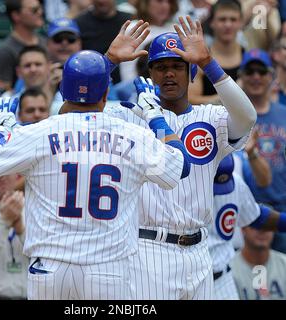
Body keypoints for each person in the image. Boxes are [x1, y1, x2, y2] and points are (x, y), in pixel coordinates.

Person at [0, 20, 191, 300]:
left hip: (50, 270)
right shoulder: (134, 135)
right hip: (107, 270)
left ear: (63, 92)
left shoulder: (38, 132)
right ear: (107, 95)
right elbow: (181, 166)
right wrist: (155, 116)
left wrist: (0, 129)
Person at [105, 16, 256, 299]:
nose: (169, 74)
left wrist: (209, 63)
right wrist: (109, 61)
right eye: (161, 67)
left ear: (191, 73)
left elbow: (247, 117)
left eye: (177, 66)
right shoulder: (127, 116)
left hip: (199, 252)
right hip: (147, 249)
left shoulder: (211, 118)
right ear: (149, 74)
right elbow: (71, 110)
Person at [210, 154, 286, 299]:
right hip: (184, 275)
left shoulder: (235, 183)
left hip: (221, 278)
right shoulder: (180, 184)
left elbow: (257, 216)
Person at [237, 48, 286, 253]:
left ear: (271, 76)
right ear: (241, 77)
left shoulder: (284, 114)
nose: (256, 77)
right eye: (250, 72)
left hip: (281, 206)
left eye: (261, 71)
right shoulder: (229, 115)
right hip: (243, 210)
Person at [0, 0, 45, 91]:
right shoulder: (5, 51)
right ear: (16, 16)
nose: (40, 12)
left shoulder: (45, 42)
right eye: (34, 10)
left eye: (40, 8)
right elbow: (2, 90)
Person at [75, 0, 133, 84]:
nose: (101, 1)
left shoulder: (129, 22)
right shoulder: (79, 23)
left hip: (125, 82)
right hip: (91, 83)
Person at [231, 227, 286, 300]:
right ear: (243, 228)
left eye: (268, 225)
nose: (262, 230)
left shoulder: (284, 263)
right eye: (256, 224)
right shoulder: (229, 270)